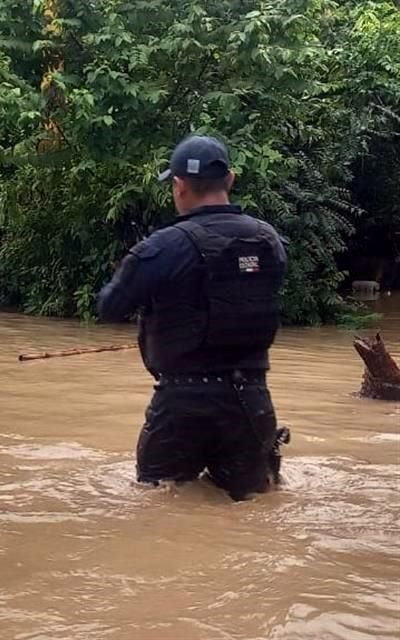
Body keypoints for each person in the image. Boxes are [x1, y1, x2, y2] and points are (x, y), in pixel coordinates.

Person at [96, 135, 289, 501]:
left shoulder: (163, 246)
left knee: (157, 504)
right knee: (254, 507)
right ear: (229, 179)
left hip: (182, 406)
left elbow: (109, 307)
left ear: (179, 186)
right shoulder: (269, 240)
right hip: (252, 400)